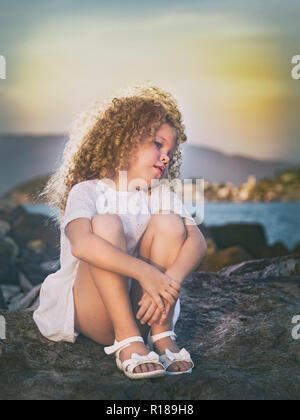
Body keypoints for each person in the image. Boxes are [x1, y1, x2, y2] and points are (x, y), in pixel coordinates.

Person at [33, 83, 207, 380]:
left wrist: (169, 282)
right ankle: (126, 337)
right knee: (105, 224)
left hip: (150, 311)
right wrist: (145, 272)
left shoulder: (159, 193)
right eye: (157, 144)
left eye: (170, 150)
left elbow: (198, 243)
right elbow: (82, 245)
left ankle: (162, 335)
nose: (166, 156)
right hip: (98, 313)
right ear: (123, 141)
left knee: (169, 221)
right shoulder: (87, 191)